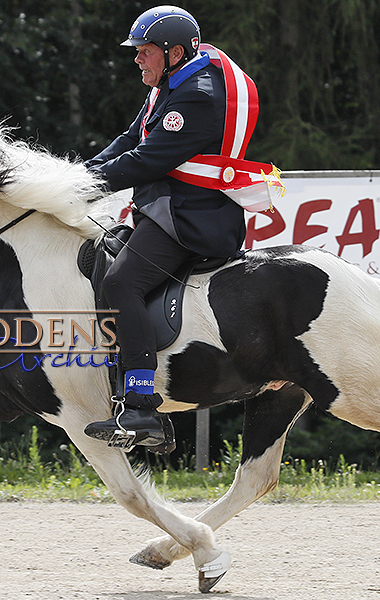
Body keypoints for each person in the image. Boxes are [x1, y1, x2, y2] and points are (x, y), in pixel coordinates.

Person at [83, 6, 250, 449]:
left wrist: (88, 187)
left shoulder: (197, 93)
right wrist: (78, 175)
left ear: (174, 52)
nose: (137, 58)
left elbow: (148, 160)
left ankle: (140, 405)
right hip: (167, 207)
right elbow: (130, 138)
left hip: (191, 217)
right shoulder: (170, 82)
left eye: (144, 51)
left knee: (121, 285)